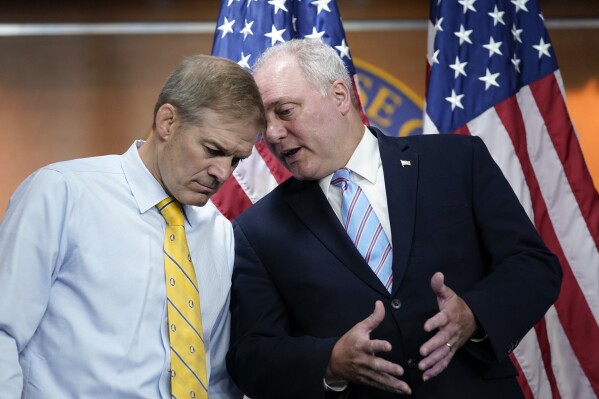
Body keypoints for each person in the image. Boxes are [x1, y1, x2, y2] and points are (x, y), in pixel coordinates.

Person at [225, 39, 562, 398]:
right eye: (266, 122)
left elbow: (533, 264)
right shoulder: (257, 230)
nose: (273, 134)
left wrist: (475, 313)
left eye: (285, 111)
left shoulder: (457, 161)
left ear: (339, 96)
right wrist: (329, 361)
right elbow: (252, 355)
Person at [0, 54, 266, 398]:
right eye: (212, 149)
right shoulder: (61, 193)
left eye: (236, 159)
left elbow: (213, 375)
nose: (223, 173)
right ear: (167, 122)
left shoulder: (220, 233)